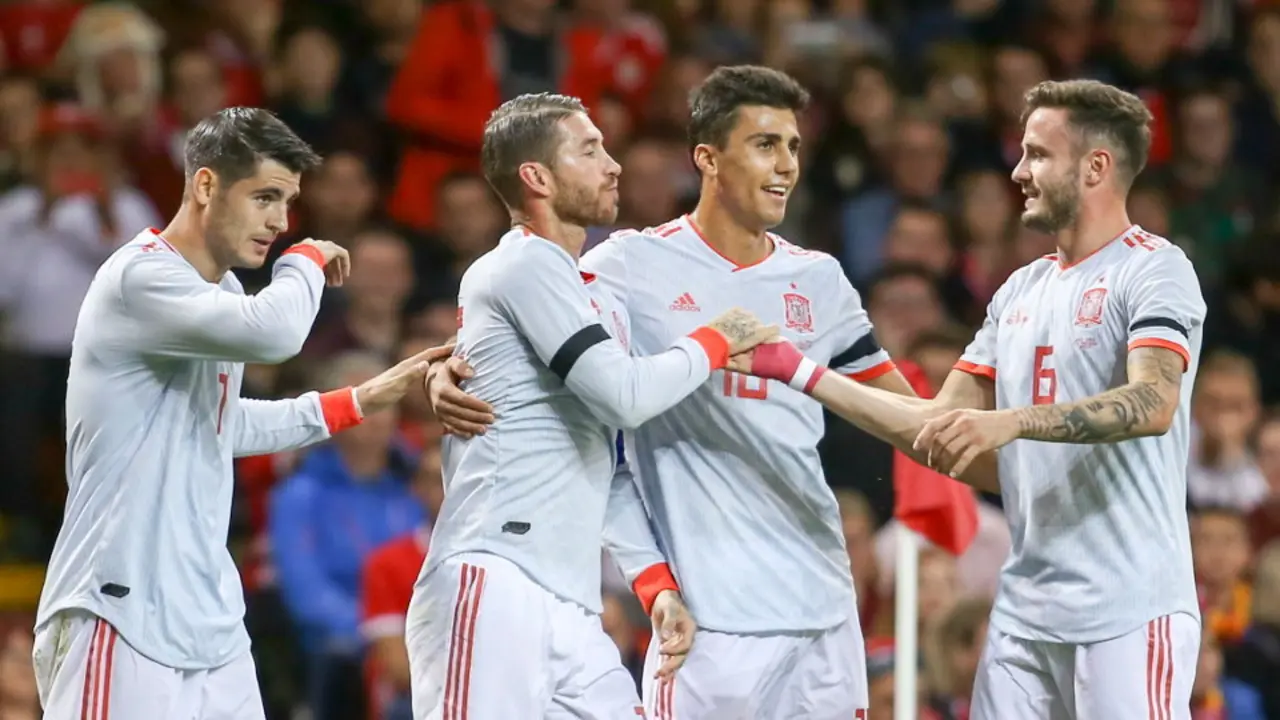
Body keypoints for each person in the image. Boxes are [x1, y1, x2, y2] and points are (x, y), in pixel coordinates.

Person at [430, 67, 917, 719]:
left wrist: (994, 423)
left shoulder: (820, 278)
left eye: (795, 147)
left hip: (823, 610)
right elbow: (531, 344)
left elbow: (912, 417)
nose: (786, 166)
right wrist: (438, 371)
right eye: (765, 145)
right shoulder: (626, 267)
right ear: (708, 159)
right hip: (708, 623)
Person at [735, 79, 1205, 719]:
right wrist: (800, 371)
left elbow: (1152, 401)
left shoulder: (1153, 269)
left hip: (1128, 608)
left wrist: (1010, 422)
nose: (1018, 171)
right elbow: (939, 429)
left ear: (1096, 166)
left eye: (1038, 154)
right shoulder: (1019, 290)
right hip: (1025, 610)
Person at [31, 107, 450, 720]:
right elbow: (275, 333)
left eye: (287, 202)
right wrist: (303, 260)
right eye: (265, 198)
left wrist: (357, 400)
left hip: (211, 618)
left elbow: (220, 425)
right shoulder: (139, 279)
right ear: (205, 185)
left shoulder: (220, 293)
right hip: (117, 607)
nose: (280, 222)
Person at [404, 93, 776, 720]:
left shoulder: (590, 293)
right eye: (589, 149)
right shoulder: (519, 265)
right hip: (494, 579)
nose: (614, 165)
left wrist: (653, 583)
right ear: (537, 178)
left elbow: (605, 458)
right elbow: (626, 396)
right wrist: (717, 337)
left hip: (571, 605)